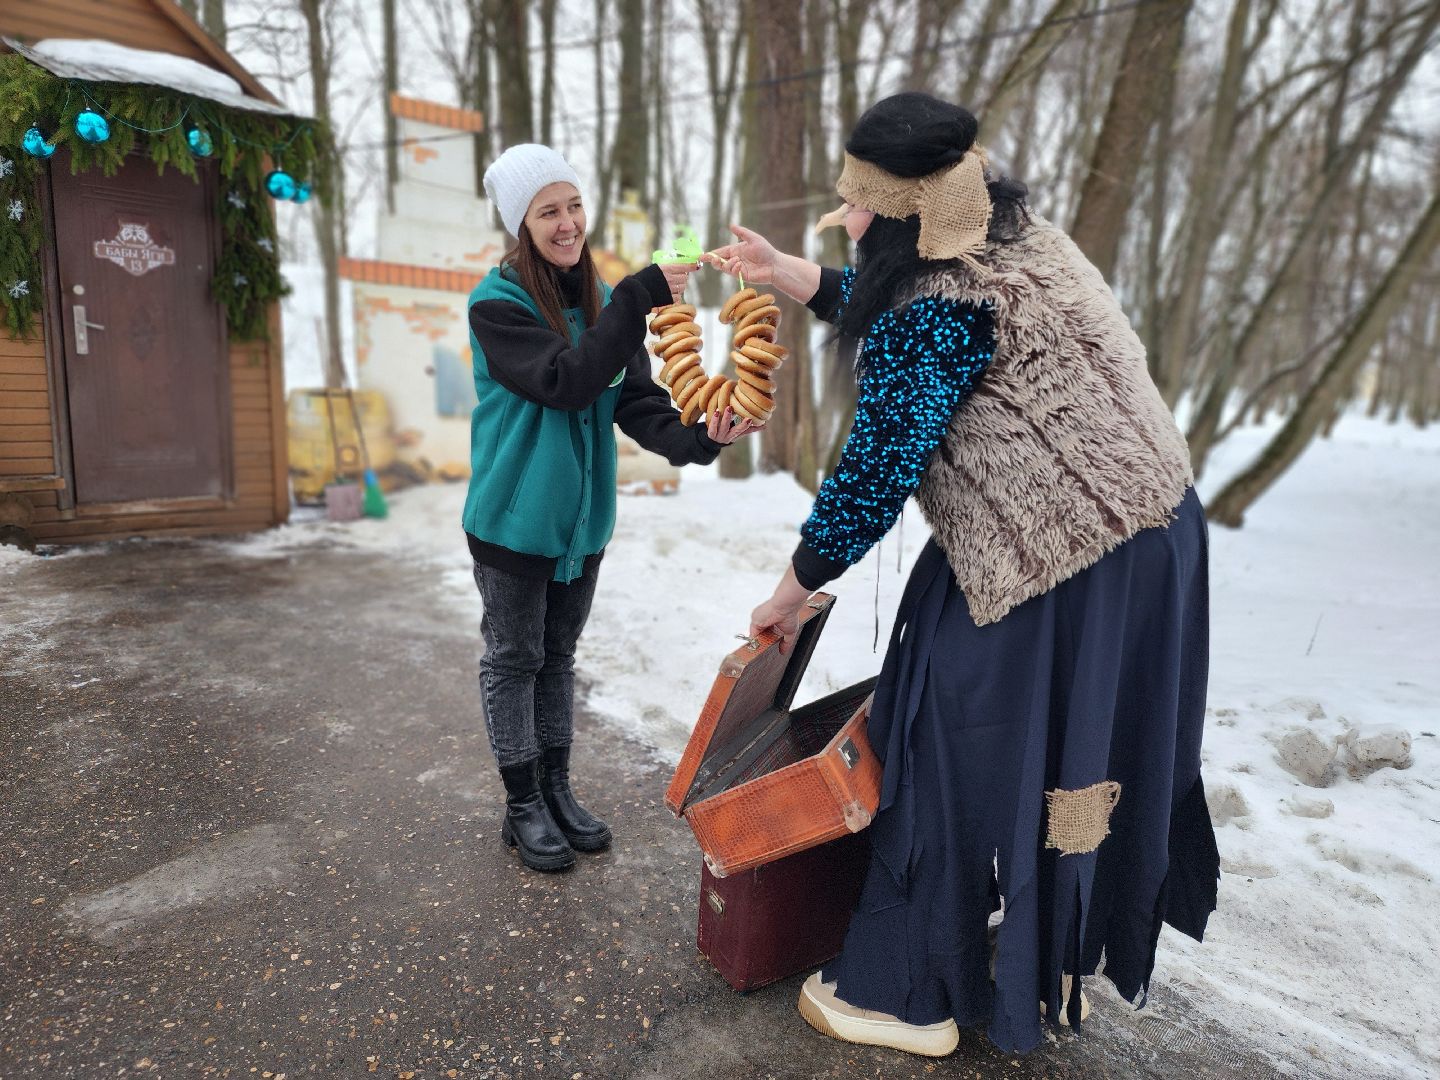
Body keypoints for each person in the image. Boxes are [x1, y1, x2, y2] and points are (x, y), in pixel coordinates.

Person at [707, 93, 1219, 1057]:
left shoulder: (938, 305)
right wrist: (794, 277)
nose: (847, 221)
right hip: (1155, 534)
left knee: (943, 726)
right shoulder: (1011, 235)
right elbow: (908, 315)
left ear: (909, 215)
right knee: (975, 700)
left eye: (860, 209)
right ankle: (1007, 937)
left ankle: (907, 991)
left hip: (1072, 553)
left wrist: (790, 587)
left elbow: (874, 470)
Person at [467, 143, 758, 873]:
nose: (567, 224)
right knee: (514, 659)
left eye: (573, 206)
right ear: (521, 224)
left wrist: (698, 438)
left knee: (557, 659)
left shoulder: (596, 296)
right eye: (548, 212)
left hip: (580, 526)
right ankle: (522, 804)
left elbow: (630, 397)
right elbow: (568, 380)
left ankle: (557, 790)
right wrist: (637, 295)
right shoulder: (496, 305)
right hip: (513, 520)